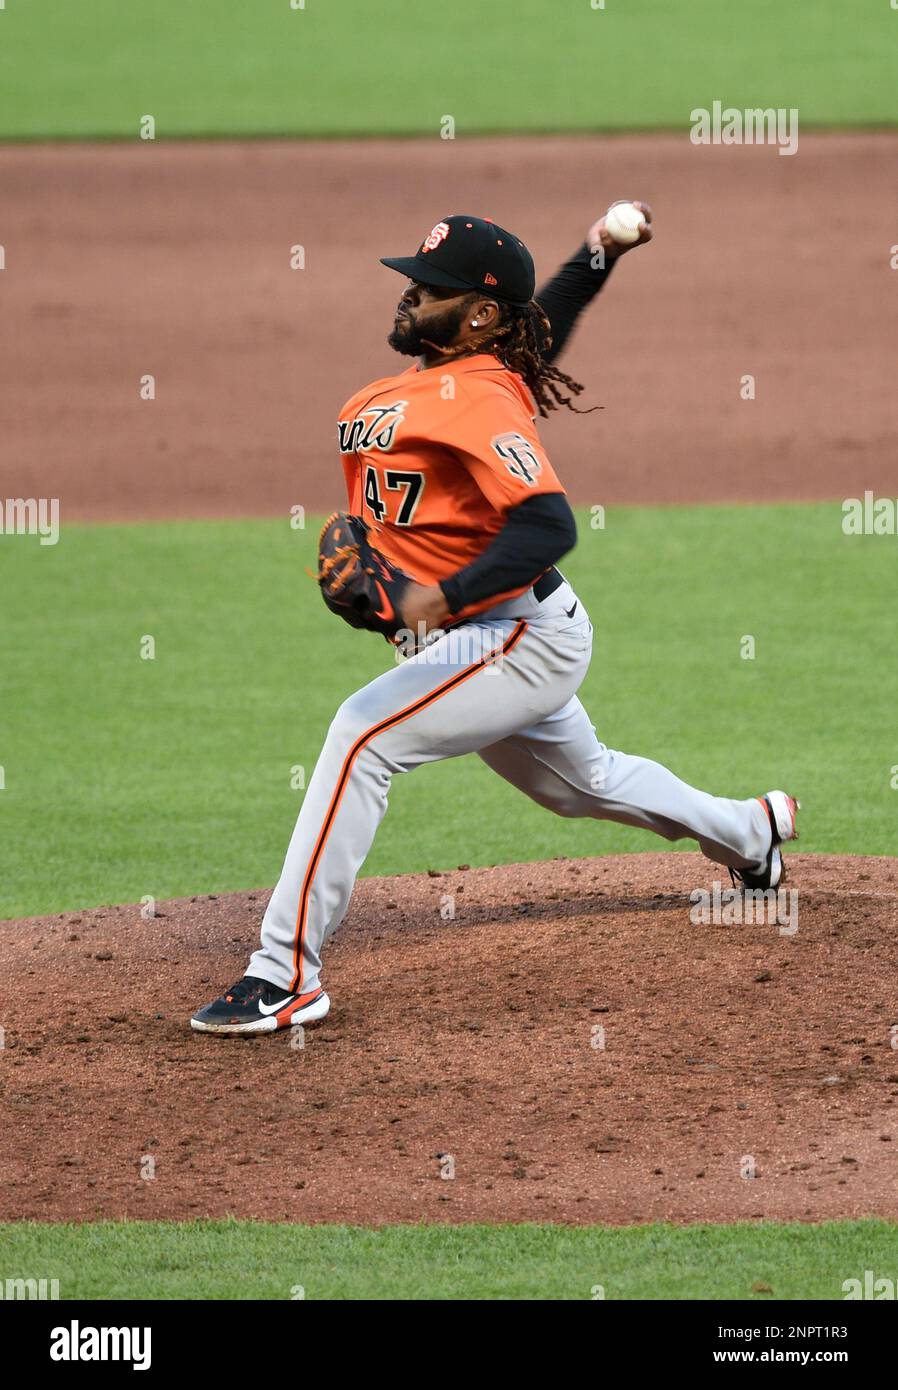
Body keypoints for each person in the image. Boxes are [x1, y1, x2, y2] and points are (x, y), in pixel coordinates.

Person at [191, 206, 799, 1035]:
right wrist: (600, 251)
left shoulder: (481, 401)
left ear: (477, 315)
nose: (408, 296)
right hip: (479, 636)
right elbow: (544, 319)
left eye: (429, 288)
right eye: (412, 281)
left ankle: (285, 973)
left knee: (363, 734)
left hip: (522, 634)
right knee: (586, 785)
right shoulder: (455, 380)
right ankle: (751, 832)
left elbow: (550, 526)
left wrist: (431, 603)